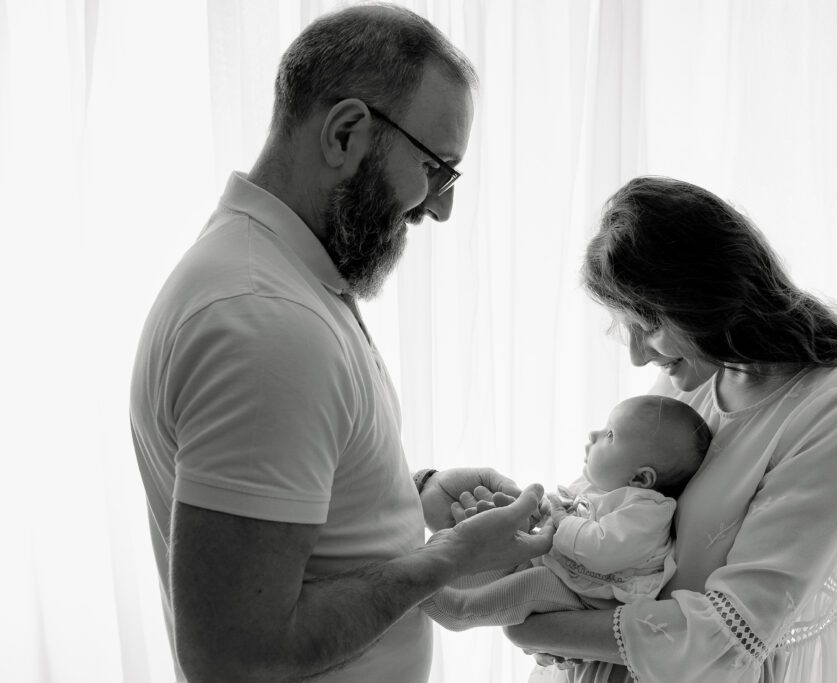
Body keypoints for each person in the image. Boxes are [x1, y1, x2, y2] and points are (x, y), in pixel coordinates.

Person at [129, 6, 552, 682]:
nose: (439, 207)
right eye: (435, 168)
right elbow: (237, 654)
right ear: (346, 132)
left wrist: (414, 498)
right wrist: (447, 557)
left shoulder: (282, 278)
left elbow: (293, 537)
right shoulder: (265, 322)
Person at [495, 176, 837, 682]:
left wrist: (536, 628)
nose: (636, 356)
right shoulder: (698, 370)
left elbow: (734, 631)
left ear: (705, 294)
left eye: (647, 325)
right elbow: (610, 494)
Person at [424, 395, 711, 632]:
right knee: (502, 556)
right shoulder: (595, 485)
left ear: (641, 479)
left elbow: (602, 548)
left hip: (589, 595)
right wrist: (539, 514)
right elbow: (566, 509)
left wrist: (560, 520)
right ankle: (435, 576)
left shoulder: (648, 511)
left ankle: (460, 611)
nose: (594, 434)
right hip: (560, 565)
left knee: (530, 585)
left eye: (610, 434)